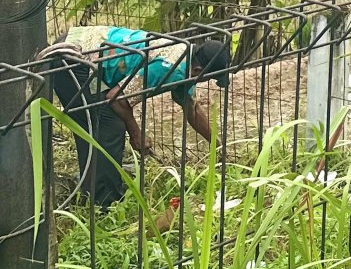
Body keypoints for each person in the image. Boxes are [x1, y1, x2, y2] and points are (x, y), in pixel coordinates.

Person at [31, 26, 231, 208]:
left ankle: (91, 190)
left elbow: (192, 109)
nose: (206, 82)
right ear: (198, 70)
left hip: (83, 48)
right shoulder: (171, 68)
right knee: (108, 126)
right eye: (209, 78)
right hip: (73, 58)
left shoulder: (185, 57)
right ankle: (104, 203)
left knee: (97, 125)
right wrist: (136, 133)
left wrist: (219, 147)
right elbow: (117, 99)